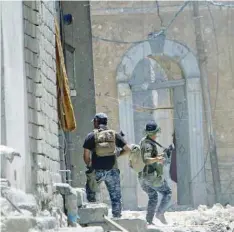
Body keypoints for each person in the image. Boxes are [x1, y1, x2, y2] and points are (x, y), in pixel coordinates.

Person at [83, 113, 131, 218]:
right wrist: (117, 154)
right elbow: (128, 149)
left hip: (97, 171)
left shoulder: (91, 136)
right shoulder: (114, 135)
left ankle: (93, 217)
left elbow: (86, 156)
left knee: (91, 193)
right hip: (112, 170)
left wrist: (90, 166)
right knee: (115, 197)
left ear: (96, 121)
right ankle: (117, 216)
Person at [138, 121, 172, 224]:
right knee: (167, 192)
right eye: (156, 133)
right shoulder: (148, 145)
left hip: (142, 178)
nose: (156, 135)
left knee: (153, 196)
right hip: (150, 177)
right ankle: (160, 213)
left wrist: (162, 155)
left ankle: (149, 221)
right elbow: (147, 159)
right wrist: (158, 158)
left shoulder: (144, 141)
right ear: (154, 133)